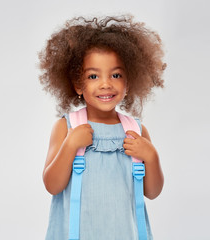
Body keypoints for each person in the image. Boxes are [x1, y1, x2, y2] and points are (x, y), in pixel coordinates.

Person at [38, 15, 166, 240]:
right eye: (93, 76)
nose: (106, 83)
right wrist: (70, 146)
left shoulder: (136, 130)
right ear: (78, 84)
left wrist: (151, 157)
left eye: (116, 75)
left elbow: (152, 192)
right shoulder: (66, 127)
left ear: (129, 82)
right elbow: (52, 185)